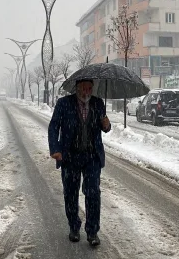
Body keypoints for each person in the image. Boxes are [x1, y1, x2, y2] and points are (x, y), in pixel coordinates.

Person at [48, 79, 112, 247]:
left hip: (92, 157)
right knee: (70, 193)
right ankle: (74, 227)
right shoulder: (64, 103)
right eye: (83, 88)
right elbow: (54, 126)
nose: (86, 92)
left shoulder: (98, 103)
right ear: (76, 89)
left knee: (93, 193)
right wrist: (55, 148)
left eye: (89, 88)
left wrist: (107, 125)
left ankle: (92, 232)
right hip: (70, 156)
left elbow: (104, 127)